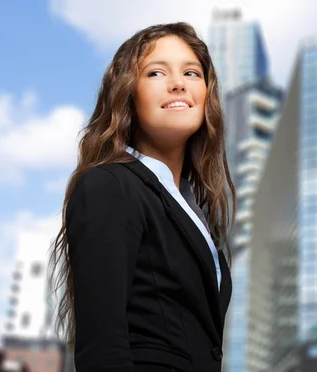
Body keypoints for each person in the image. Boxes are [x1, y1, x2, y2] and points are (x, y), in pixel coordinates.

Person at [48, 22, 235, 372]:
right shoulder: (108, 185)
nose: (178, 83)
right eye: (155, 72)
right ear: (128, 93)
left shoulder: (194, 208)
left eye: (191, 72)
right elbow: (102, 350)